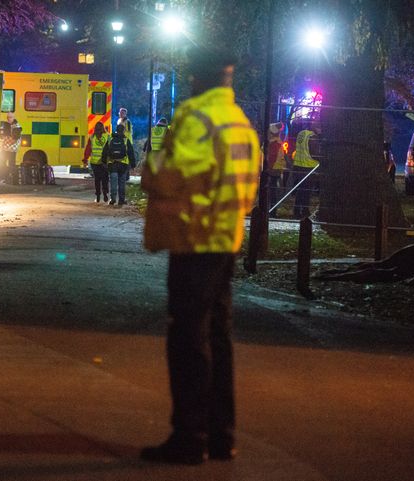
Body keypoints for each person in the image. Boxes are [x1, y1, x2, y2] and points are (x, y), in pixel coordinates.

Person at [140, 46, 260, 465]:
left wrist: (151, 167)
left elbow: (177, 175)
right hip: (227, 240)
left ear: (196, 78)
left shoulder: (196, 118)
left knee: (187, 336)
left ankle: (188, 437)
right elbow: (250, 185)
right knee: (219, 335)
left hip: (195, 238)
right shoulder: (239, 122)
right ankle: (221, 435)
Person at [102, 123, 135, 206]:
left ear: (116, 130)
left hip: (112, 163)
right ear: (123, 130)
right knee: (122, 183)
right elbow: (131, 153)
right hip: (123, 164)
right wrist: (133, 164)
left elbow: (105, 151)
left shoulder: (110, 139)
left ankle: (113, 200)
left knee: (113, 182)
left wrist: (103, 162)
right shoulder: (126, 140)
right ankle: (121, 200)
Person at [292, 124, 320, 218]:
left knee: (300, 190)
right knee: (306, 192)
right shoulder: (312, 137)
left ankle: (297, 210)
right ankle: (304, 211)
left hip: (298, 165)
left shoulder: (301, 133)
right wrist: (323, 159)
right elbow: (314, 153)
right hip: (308, 167)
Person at [82, 121, 110, 203]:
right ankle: (105, 193)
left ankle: (98, 196)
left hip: (94, 162)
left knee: (97, 179)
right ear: (103, 128)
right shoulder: (108, 136)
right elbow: (110, 149)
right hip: (104, 162)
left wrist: (85, 159)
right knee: (105, 179)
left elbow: (88, 149)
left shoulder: (92, 137)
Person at [266, 122, 286, 217]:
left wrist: (267, 168)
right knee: (272, 191)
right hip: (275, 169)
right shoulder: (277, 142)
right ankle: (272, 210)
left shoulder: (273, 143)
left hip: (272, 169)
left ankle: (271, 211)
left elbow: (272, 157)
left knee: (270, 191)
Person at [0, 112, 22, 184]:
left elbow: (15, 138)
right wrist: (2, 134)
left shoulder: (17, 126)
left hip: (12, 149)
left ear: (13, 117)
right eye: (7, 117)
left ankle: (14, 180)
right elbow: (2, 136)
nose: (8, 119)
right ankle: (5, 177)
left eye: (10, 117)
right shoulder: (5, 125)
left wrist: (9, 135)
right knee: (2, 162)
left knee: (11, 164)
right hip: (5, 148)